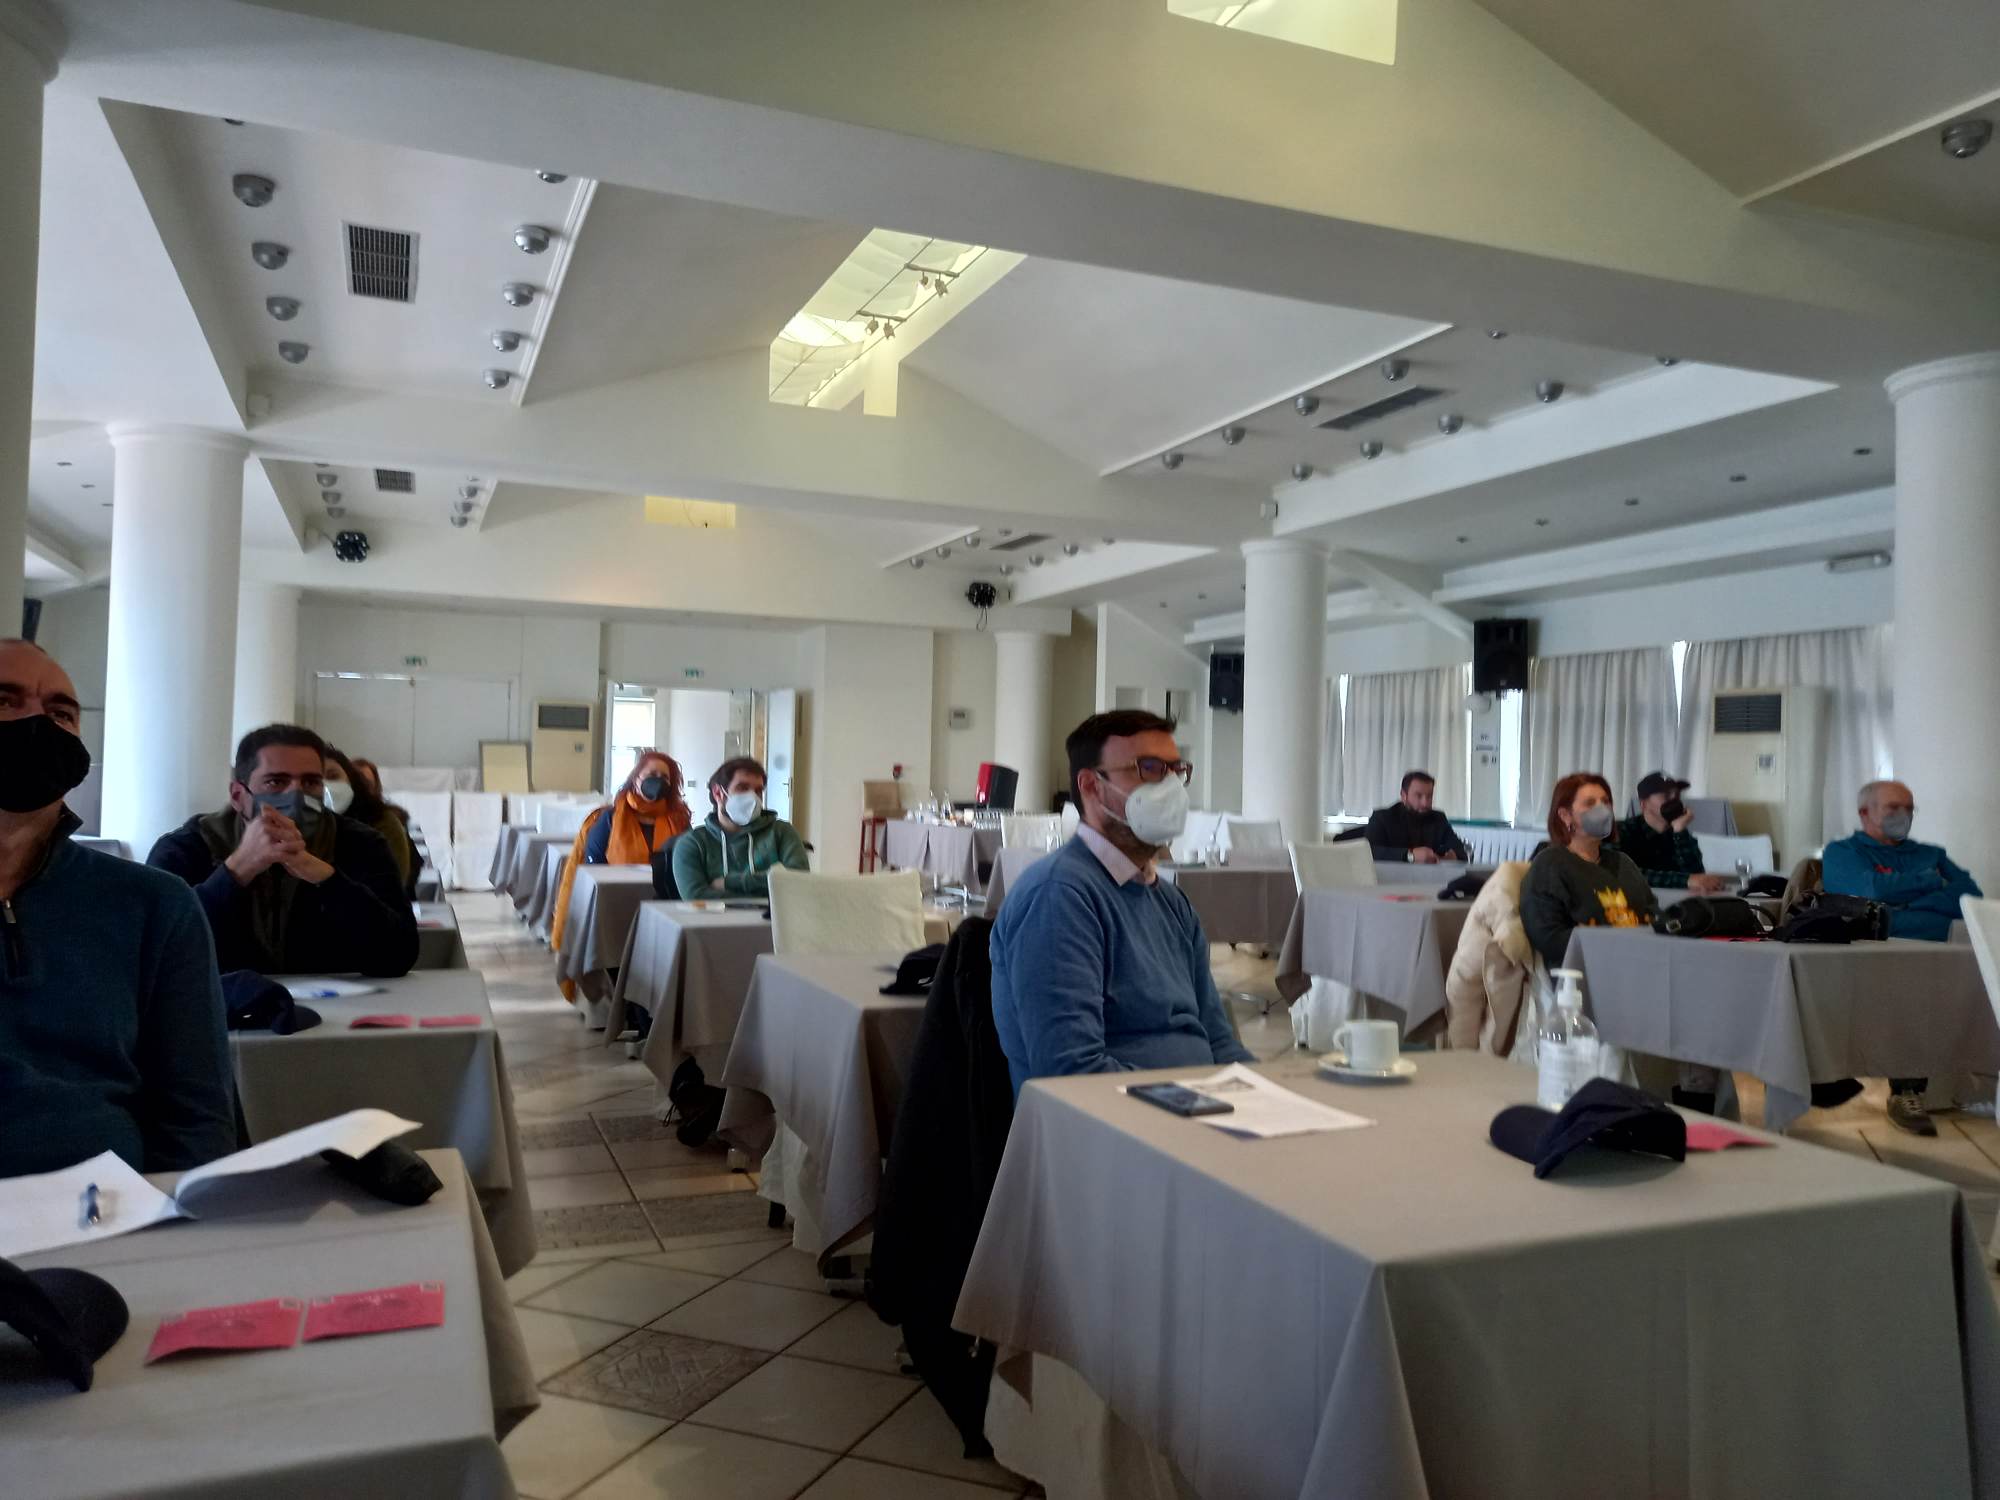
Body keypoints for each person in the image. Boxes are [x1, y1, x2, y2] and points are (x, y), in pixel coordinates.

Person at [0, 639, 234, 1178]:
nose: (38, 724)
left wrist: (169, 1218)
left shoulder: (155, 905)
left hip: (111, 1212)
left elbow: (197, 1119)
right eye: (5, 701)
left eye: (61, 713)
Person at [989, 710, 1253, 1095]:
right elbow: (1072, 1072)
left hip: (1197, 1109)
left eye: (1176, 770)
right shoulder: (1058, 896)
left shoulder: (1171, 902)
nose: (1171, 787)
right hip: (1111, 1122)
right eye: (1150, 768)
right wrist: (1195, 1102)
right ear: (1091, 786)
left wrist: (1270, 1095)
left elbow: (1218, 1040)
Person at [148, 723, 418, 978]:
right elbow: (154, 950)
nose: (296, 796)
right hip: (224, 1006)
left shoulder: (360, 844)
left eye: (310, 782)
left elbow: (399, 954)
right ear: (238, 796)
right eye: (276, 782)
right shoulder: (187, 848)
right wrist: (235, 871)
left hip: (338, 1006)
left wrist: (327, 879)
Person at [1821, 779, 1983, 1136]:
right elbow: (1866, 892)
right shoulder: (1842, 852)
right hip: (1871, 954)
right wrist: (1932, 884)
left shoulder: (1931, 854)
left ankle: (1922, 1089)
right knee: (1908, 989)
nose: (1904, 815)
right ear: (1865, 813)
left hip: (1935, 956)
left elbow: (1970, 897)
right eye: (1893, 808)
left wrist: (1900, 902)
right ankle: (1903, 1090)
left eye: (1909, 808)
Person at [1520, 772, 1658, 971]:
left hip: (1640, 962)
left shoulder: (1623, 862)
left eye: (1606, 801)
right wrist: (1613, 943)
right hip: (1584, 972)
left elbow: (1652, 913)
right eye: (1590, 803)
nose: (1602, 809)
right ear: (1565, 815)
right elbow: (1549, 938)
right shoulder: (1550, 864)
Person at [672, 756, 810, 899]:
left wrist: (728, 883)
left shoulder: (782, 832)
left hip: (774, 916)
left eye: (758, 790)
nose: (753, 797)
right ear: (718, 793)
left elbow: (798, 882)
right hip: (720, 918)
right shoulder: (692, 843)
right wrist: (771, 889)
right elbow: (696, 898)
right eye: (742, 788)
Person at [323, 744, 417, 895]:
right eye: (314, 781)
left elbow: (390, 892)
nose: (326, 787)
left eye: (333, 777)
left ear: (351, 780)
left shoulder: (383, 822)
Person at [1614, 772, 1726, 893]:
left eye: (1677, 795)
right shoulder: (1622, 831)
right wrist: (1685, 880)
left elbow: (1697, 875)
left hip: (1677, 901)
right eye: (1666, 795)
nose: (1674, 799)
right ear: (1643, 804)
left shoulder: (1678, 831)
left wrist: (1680, 831)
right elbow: (1621, 872)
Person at [584, 750, 690, 865]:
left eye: (664, 777)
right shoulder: (610, 817)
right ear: (635, 780)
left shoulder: (679, 819)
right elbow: (594, 863)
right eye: (652, 775)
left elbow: (691, 857)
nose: (658, 781)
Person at [1363, 770, 1469, 864]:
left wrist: (1451, 857)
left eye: (1429, 796)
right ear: (1403, 795)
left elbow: (1461, 851)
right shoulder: (1382, 818)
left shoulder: (1438, 818)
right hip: (1389, 878)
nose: (1425, 803)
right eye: (1419, 796)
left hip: (1431, 878)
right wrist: (1410, 856)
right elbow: (1368, 853)